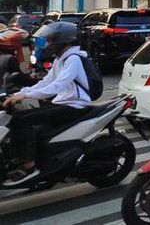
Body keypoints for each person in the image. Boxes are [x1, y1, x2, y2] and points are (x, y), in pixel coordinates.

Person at [1, 21, 91, 184]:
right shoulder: (60, 60)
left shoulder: (73, 59)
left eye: (49, 40)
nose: (46, 44)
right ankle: (18, 158)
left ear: (61, 41)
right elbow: (45, 83)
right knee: (21, 120)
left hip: (73, 105)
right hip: (61, 102)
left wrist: (25, 97)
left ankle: (28, 164)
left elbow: (57, 86)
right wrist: (19, 93)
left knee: (22, 119)